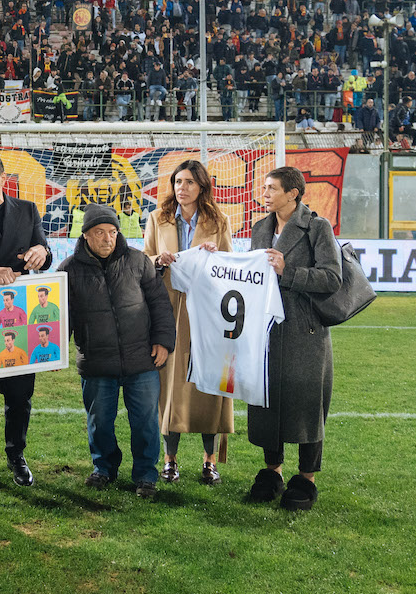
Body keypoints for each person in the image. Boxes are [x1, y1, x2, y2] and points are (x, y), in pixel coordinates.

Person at [60, 203, 175, 498]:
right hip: (96, 363)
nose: (107, 239)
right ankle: (103, 468)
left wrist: (163, 341)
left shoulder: (139, 261)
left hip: (142, 361)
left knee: (146, 423)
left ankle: (146, 475)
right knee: (99, 424)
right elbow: (58, 317)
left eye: (112, 232)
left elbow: (160, 305)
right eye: (99, 233)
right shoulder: (68, 271)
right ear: (85, 236)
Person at [247, 166, 341, 511]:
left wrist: (290, 272)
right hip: (266, 330)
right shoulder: (260, 228)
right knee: (267, 401)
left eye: (272, 188)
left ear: (293, 193)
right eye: (264, 188)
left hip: (306, 331)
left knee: (307, 404)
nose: (265, 193)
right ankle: (272, 471)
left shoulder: (318, 227)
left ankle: (307, 478)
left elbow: (332, 278)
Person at [141, 159, 236, 487]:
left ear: (202, 187)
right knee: (169, 387)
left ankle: (209, 462)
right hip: (167, 314)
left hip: (207, 316)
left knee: (208, 387)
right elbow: (145, 259)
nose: (182, 188)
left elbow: (230, 270)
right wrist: (159, 261)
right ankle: (170, 460)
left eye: (189, 182)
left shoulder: (219, 221)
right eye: (178, 182)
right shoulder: (157, 218)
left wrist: (214, 256)